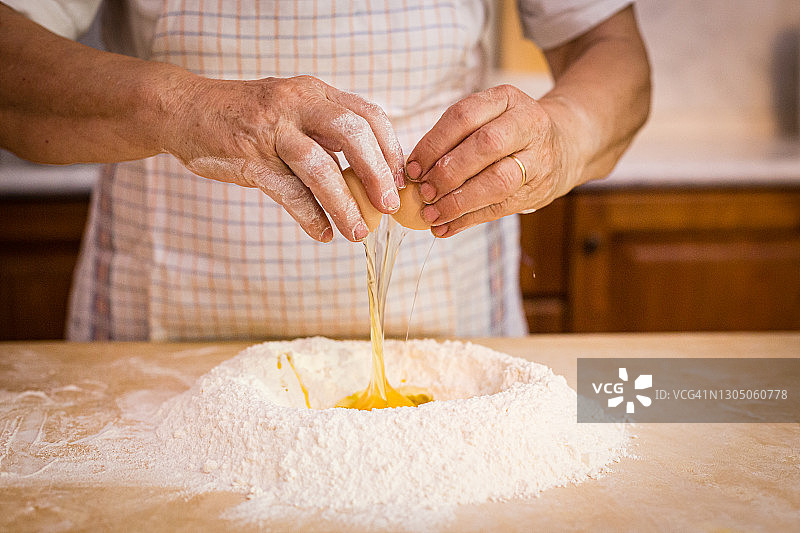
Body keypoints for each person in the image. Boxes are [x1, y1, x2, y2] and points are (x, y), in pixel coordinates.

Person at [0, 0, 650, 341]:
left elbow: (612, 48)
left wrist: (564, 135)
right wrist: (186, 109)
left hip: (450, 333)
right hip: (166, 334)